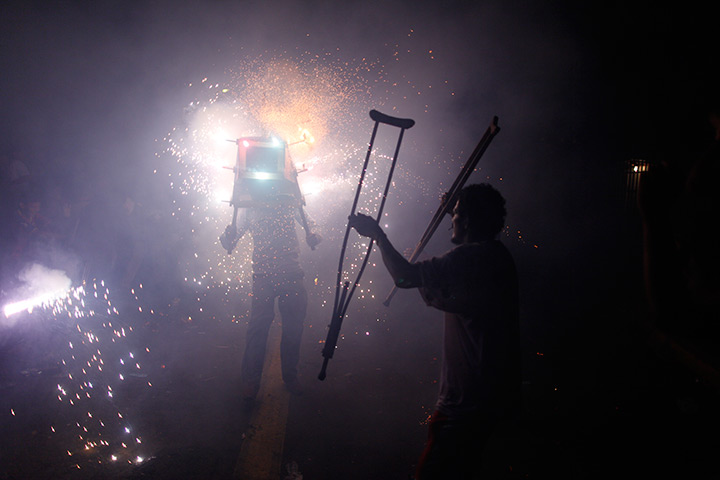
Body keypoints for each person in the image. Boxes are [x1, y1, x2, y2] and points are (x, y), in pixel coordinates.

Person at [349, 183, 520, 480]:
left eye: (455, 214)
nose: (450, 219)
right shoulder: (497, 256)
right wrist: (459, 209)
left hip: (465, 406)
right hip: (494, 401)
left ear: (466, 220)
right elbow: (440, 288)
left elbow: (405, 277)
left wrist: (378, 235)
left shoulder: (470, 258)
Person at [222, 193, 321, 405]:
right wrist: (227, 238)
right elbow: (232, 238)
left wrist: (313, 234)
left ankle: (290, 376)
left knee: (293, 328)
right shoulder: (249, 204)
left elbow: (311, 224)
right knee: (257, 329)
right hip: (263, 276)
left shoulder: (288, 200)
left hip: (292, 273)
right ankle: (250, 382)